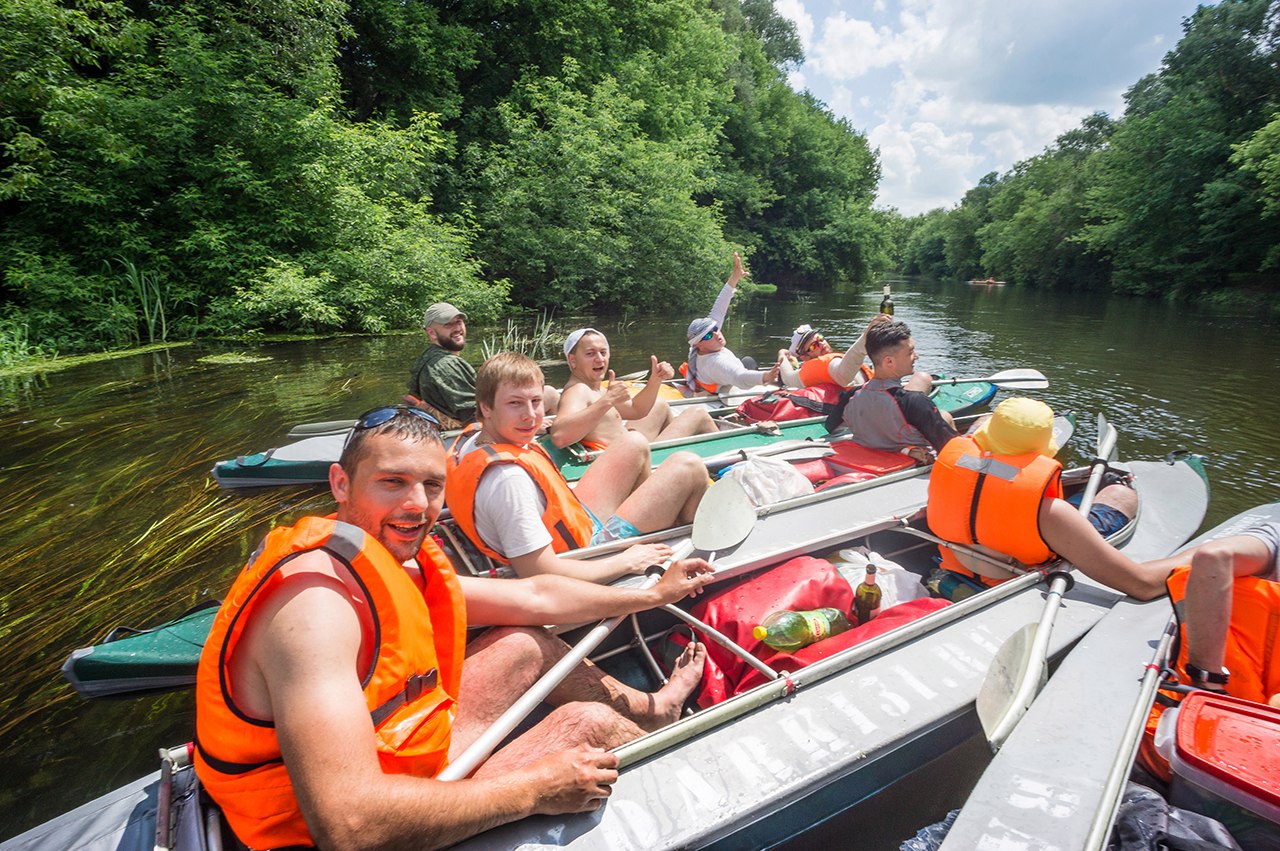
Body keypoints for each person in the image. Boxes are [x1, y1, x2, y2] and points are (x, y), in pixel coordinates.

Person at [194, 406, 714, 851]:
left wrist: (650, 594)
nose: (417, 505)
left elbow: (537, 596)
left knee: (522, 644)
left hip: (394, 755)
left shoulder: (380, 559)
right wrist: (536, 788)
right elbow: (349, 826)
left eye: (431, 485)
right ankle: (700, 768)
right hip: (304, 829)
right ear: (339, 484)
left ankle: (658, 712)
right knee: (584, 726)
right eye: (392, 482)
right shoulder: (314, 609)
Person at [446, 352, 711, 584]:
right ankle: (686, 550)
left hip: (570, 525)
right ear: (486, 407)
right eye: (515, 403)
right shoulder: (507, 481)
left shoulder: (471, 440)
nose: (530, 415)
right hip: (584, 557)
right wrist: (626, 561)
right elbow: (539, 571)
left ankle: (653, 517)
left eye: (536, 402)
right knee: (688, 466)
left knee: (634, 441)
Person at [926, 397, 1178, 601]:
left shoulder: (956, 462)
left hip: (955, 563)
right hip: (1016, 568)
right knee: (1120, 494)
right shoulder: (1052, 513)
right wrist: (1198, 555)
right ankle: (1115, 491)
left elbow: (994, 473)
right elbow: (1142, 584)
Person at [1165, 523, 1280, 704]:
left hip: (1222, 700)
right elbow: (1212, 558)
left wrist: (1208, 683)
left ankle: (1206, 689)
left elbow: (1213, 558)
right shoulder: (1273, 540)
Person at [551, 328, 716, 451]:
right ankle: (729, 469)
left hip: (630, 449)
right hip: (625, 462)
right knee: (698, 414)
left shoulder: (594, 387)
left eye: (603, 352)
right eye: (590, 354)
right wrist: (607, 401)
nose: (599, 359)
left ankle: (672, 458)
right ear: (572, 360)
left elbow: (637, 410)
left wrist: (655, 379)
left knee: (659, 405)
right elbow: (559, 437)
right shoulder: (578, 391)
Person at [409, 302, 560, 428]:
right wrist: (529, 424)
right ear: (432, 333)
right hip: (474, 431)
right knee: (551, 394)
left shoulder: (428, 357)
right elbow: (474, 415)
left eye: (459, 322)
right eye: (448, 325)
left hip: (462, 423)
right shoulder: (446, 365)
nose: (457, 328)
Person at [835, 319, 956, 462]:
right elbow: (952, 450)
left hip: (872, 455)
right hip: (909, 466)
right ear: (889, 362)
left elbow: (831, 427)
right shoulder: (915, 402)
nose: (916, 356)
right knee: (946, 417)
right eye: (910, 352)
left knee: (943, 415)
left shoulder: (851, 396)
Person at [685, 252, 781, 392]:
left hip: (719, 379)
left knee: (748, 361)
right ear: (699, 344)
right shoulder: (716, 363)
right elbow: (739, 376)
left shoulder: (696, 350)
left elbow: (719, 308)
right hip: (733, 386)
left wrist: (735, 276)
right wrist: (766, 376)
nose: (716, 334)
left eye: (715, 329)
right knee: (752, 367)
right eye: (708, 336)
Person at [776, 315, 888, 390]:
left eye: (820, 339)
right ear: (805, 357)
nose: (821, 344)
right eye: (814, 345)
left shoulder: (836, 360)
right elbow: (788, 377)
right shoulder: (811, 369)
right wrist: (865, 339)